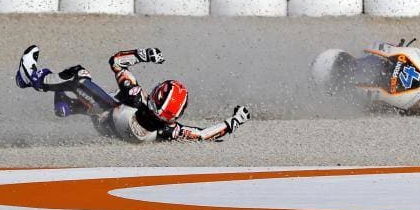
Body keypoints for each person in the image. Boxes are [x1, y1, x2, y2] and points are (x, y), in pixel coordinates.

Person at [15, 45, 250, 142]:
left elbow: (116, 62)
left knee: (79, 74)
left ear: (158, 95)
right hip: (111, 133)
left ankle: (32, 78)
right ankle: (67, 107)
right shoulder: (170, 129)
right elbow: (203, 134)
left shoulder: (137, 96)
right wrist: (235, 121)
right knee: (111, 97)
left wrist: (143, 54)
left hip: (105, 117)